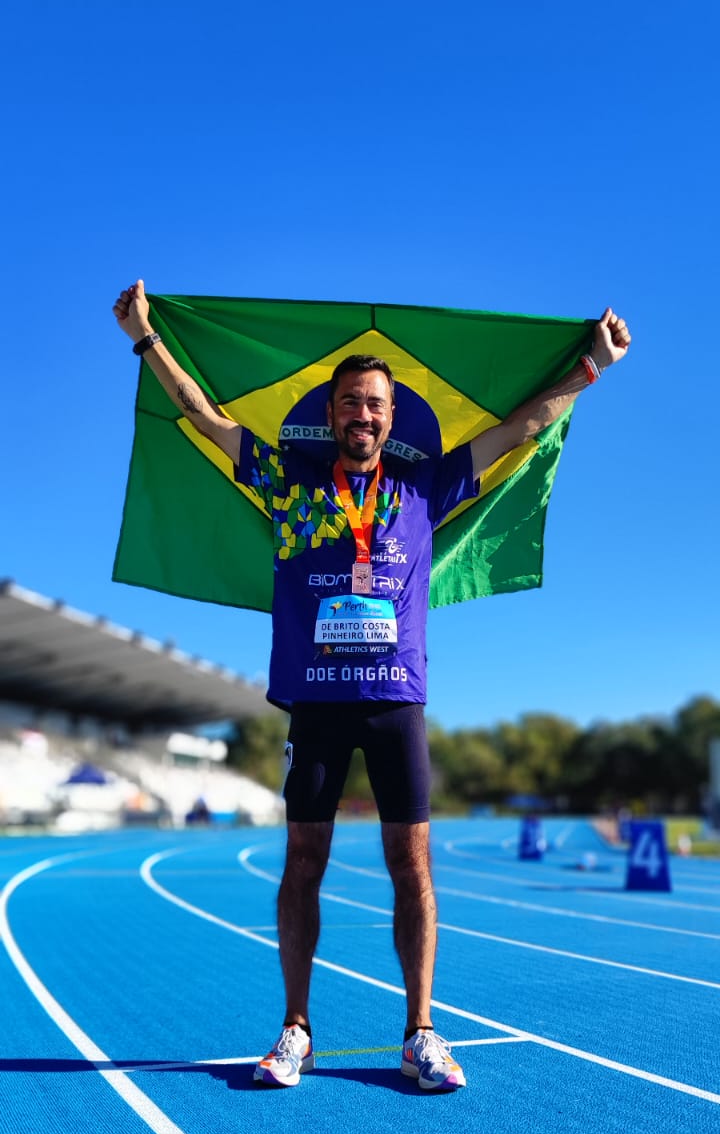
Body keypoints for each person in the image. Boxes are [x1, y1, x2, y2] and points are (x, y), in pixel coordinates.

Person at [113, 281, 631, 1092]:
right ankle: (295, 1031)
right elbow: (206, 414)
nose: (364, 414)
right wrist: (146, 340)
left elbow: (518, 430)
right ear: (333, 411)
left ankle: (421, 1032)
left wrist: (589, 368)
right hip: (315, 699)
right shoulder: (289, 480)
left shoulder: (425, 490)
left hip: (396, 701)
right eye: (352, 401)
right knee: (303, 862)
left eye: (377, 404)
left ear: (393, 417)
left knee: (411, 865)